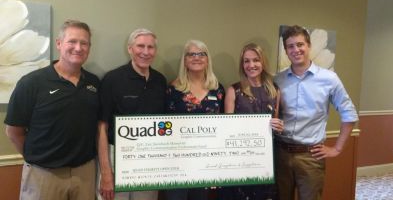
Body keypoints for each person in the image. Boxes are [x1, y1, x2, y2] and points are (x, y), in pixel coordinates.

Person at [4, 20, 99, 200]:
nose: (78, 48)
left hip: (85, 173)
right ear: (59, 43)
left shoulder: (94, 83)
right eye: (72, 41)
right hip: (44, 175)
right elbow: (13, 132)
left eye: (84, 43)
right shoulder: (32, 83)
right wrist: (38, 159)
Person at [274, 25, 359, 200]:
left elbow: (349, 113)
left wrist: (337, 148)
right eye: (290, 46)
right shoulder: (278, 80)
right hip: (280, 154)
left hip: (310, 157)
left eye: (300, 44)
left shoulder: (328, 79)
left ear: (309, 46)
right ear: (286, 50)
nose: (296, 50)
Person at [97, 28, 166, 200]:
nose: (145, 52)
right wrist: (106, 173)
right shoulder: (112, 79)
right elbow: (101, 127)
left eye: (150, 47)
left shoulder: (160, 81)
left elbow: (163, 125)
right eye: (140, 46)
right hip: (117, 157)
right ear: (130, 49)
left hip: (149, 160)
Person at [217, 43, 284, 200]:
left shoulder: (275, 90)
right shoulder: (234, 91)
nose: (251, 65)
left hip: (266, 158)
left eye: (256, 60)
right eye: (246, 61)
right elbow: (227, 129)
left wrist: (279, 126)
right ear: (242, 65)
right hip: (240, 160)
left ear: (263, 63)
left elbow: (275, 123)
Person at [163, 40, 225, 200]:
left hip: (206, 162)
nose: (196, 57)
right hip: (177, 162)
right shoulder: (173, 89)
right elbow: (165, 128)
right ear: (184, 60)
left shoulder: (218, 89)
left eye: (201, 54)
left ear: (207, 59)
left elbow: (224, 127)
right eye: (191, 54)